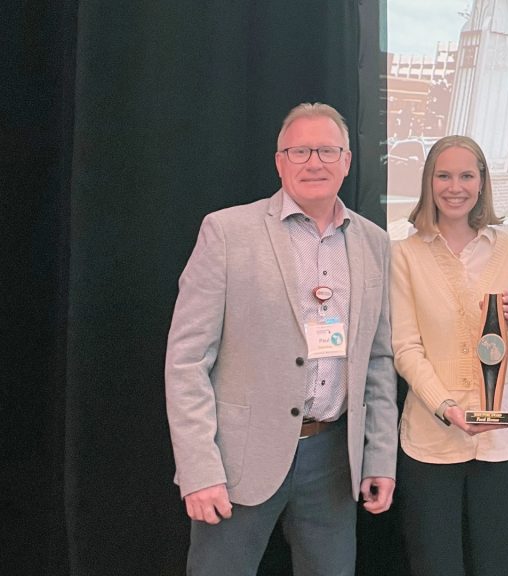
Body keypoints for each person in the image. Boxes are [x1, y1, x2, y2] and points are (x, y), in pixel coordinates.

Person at [165, 102, 398, 576]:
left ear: (347, 161)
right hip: (237, 461)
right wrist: (199, 469)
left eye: (327, 150)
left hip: (333, 459)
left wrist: (379, 457)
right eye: (300, 151)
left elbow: (377, 360)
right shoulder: (228, 232)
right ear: (279, 161)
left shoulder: (375, 242)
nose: (314, 162)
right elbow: (187, 361)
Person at [390, 135, 508, 576]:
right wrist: (446, 406)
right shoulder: (405, 254)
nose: (454, 187)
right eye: (443, 175)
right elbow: (406, 348)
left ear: (482, 183)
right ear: (428, 182)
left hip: (505, 438)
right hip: (432, 437)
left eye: (466, 176)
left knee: (500, 564)